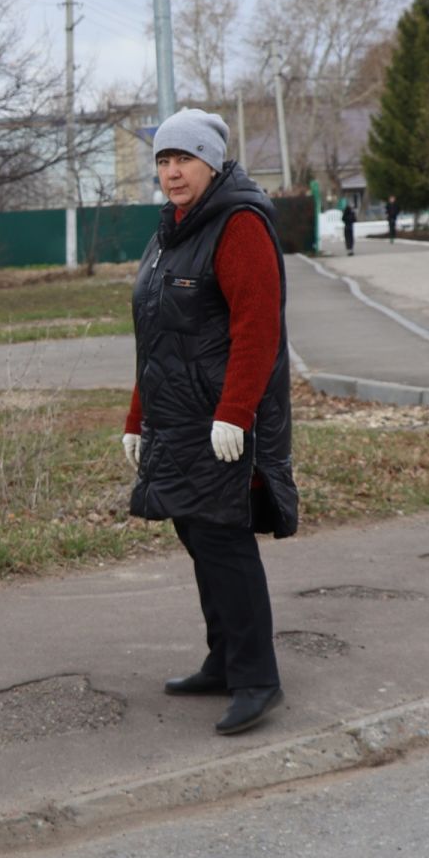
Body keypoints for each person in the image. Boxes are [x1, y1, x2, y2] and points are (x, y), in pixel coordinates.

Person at [123, 108, 297, 737]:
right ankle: (224, 660)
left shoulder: (239, 225)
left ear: (213, 162)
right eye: (163, 161)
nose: (171, 172)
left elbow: (258, 330)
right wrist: (136, 417)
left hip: (222, 422)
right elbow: (156, 336)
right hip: (178, 419)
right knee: (199, 537)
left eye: (183, 159)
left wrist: (236, 412)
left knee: (224, 541)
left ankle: (258, 678)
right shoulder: (171, 229)